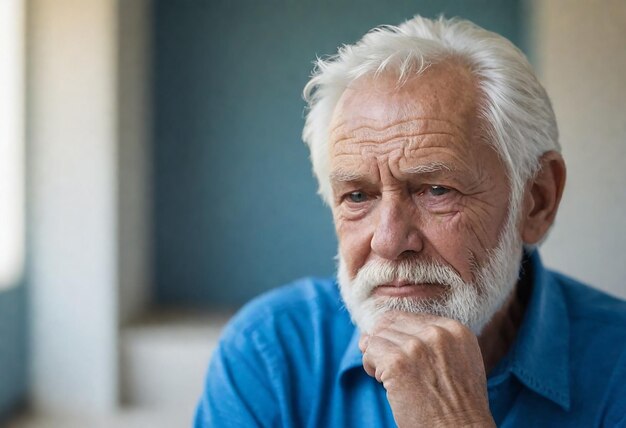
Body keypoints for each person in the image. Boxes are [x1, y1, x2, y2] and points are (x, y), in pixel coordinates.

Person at [194, 16, 626, 427]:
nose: (388, 240)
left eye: (436, 190)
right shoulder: (270, 352)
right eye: (358, 196)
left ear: (536, 201)